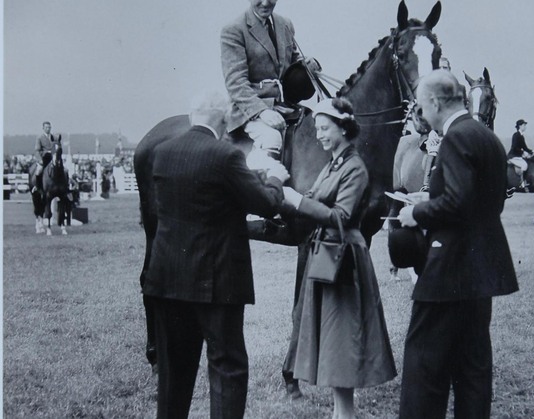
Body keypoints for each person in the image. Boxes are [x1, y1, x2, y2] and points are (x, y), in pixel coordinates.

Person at [142, 91, 289, 419]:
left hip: (167, 280)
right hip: (217, 282)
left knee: (174, 374)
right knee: (227, 369)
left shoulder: (163, 153)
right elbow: (264, 204)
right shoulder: (225, 155)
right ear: (223, 118)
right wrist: (276, 179)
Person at [397, 70, 518, 419]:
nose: (420, 113)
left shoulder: (455, 138)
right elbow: (482, 201)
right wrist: (432, 194)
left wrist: (418, 212)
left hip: (449, 270)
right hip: (481, 271)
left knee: (424, 365)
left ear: (435, 102)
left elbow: (458, 203)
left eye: (421, 106)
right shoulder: (486, 137)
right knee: (473, 367)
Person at [281, 97, 397, 419]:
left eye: (324, 127)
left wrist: (298, 202)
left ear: (344, 128)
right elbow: (311, 198)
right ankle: (340, 413)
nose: (318, 134)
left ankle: (344, 414)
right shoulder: (333, 163)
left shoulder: (355, 167)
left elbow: (342, 216)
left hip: (343, 258)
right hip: (328, 256)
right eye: (317, 127)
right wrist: (282, 193)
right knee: (334, 341)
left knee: (342, 340)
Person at [220, 0, 320, 161]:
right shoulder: (234, 30)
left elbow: (291, 61)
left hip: (283, 105)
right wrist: (261, 111)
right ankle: (262, 185)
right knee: (271, 138)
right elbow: (235, 83)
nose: (265, 3)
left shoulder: (284, 24)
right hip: (248, 110)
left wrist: (306, 63)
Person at [507, 119, 533, 189]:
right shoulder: (516, 135)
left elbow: (524, 147)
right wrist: (523, 152)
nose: (525, 127)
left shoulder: (521, 136)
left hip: (518, 156)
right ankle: (522, 183)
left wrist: (532, 151)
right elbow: (515, 148)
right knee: (524, 165)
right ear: (520, 126)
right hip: (513, 156)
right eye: (524, 125)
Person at [33, 121, 57, 193]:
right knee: (39, 170)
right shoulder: (40, 138)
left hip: (53, 157)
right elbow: (37, 150)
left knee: (63, 169)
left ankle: (65, 186)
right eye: (46, 127)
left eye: (49, 127)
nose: (48, 129)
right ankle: (37, 186)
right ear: (43, 128)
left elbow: (57, 148)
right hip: (44, 158)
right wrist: (40, 160)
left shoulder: (54, 137)